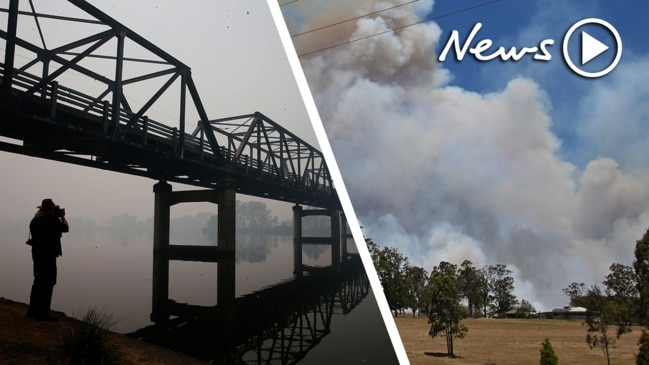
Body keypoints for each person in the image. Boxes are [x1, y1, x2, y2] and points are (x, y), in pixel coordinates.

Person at [27, 198, 69, 321]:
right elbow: (66, 228)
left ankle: (32, 311)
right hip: (48, 255)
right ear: (51, 210)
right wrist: (62, 216)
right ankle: (44, 313)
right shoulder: (51, 220)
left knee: (38, 282)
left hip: (37, 254)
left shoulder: (35, 220)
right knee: (49, 282)